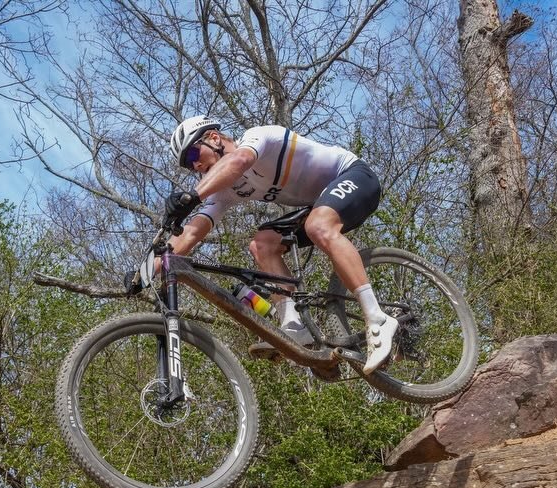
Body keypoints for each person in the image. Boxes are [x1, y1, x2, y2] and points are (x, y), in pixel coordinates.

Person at [161, 115, 398, 375]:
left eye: (193, 153)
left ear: (214, 138)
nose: (195, 165)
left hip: (354, 176)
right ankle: (294, 326)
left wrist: (193, 196)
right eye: (189, 165)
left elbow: (239, 161)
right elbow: (192, 233)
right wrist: (150, 268)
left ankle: (378, 318)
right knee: (262, 244)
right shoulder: (227, 190)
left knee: (317, 225)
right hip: (319, 205)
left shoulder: (258, 137)